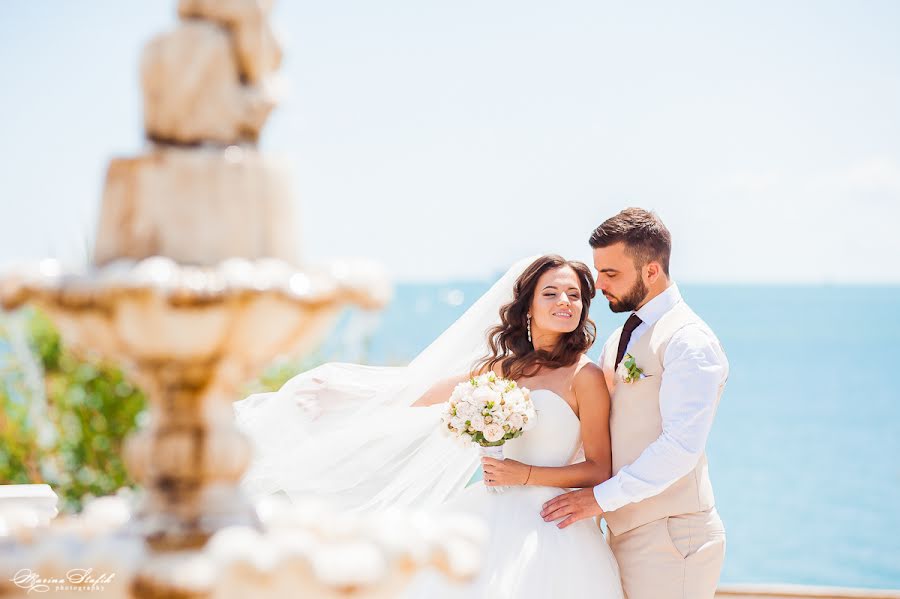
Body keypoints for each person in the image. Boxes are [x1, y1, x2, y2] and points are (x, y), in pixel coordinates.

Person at [233, 254, 624, 598]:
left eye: (574, 295)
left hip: (553, 525)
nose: (565, 302)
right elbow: (419, 393)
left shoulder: (584, 377)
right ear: (527, 307)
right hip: (491, 511)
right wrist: (343, 395)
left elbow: (599, 468)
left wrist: (524, 476)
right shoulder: (505, 370)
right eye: (551, 293)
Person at [541, 208, 729, 599]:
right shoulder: (624, 336)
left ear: (652, 271)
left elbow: (681, 448)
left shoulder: (688, 341)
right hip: (623, 532)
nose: (599, 284)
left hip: (671, 539)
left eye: (611, 273)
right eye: (598, 270)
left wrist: (597, 499)